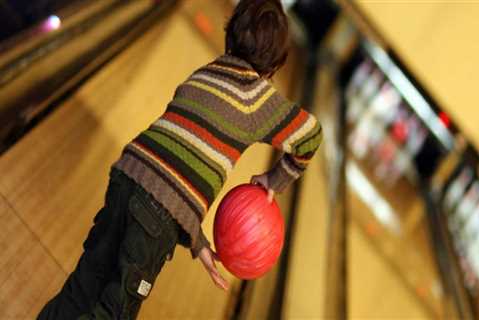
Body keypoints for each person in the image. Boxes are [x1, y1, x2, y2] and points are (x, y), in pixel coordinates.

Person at [38, 0, 322, 319]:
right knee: (114, 311)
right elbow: (311, 135)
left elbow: (176, 165)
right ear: (273, 68)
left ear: (229, 38)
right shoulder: (258, 99)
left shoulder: (206, 72)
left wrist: (197, 241)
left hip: (128, 175)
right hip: (156, 214)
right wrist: (275, 179)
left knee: (84, 284)